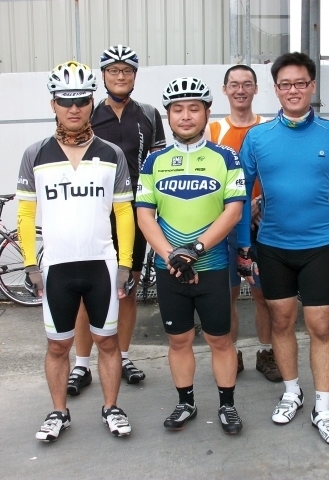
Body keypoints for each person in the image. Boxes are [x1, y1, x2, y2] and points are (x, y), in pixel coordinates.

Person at [238, 52, 329, 445]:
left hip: (317, 246)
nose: (293, 90)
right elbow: (242, 192)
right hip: (272, 247)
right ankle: (292, 392)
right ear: (276, 89)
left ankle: (324, 407)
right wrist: (244, 243)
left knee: (321, 326)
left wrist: (318, 193)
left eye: (300, 83)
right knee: (282, 322)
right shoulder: (258, 137)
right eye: (285, 84)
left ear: (312, 86)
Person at [17, 61, 135, 441]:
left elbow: (124, 212)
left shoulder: (112, 153)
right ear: (53, 103)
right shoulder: (35, 153)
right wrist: (30, 264)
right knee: (57, 346)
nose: (74, 108)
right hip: (57, 267)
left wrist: (126, 264)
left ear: (91, 102)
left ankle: (111, 407)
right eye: (65, 101)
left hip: (102, 265)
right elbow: (25, 213)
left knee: (108, 343)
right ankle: (59, 412)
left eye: (82, 100)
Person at [136, 77, 246, 434]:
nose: (186, 116)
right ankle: (186, 403)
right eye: (178, 109)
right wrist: (172, 256)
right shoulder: (154, 161)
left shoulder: (226, 157)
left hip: (211, 265)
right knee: (179, 340)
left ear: (207, 113)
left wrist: (194, 251)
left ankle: (227, 406)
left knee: (220, 340)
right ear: (168, 116)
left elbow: (234, 211)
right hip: (169, 267)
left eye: (194, 108)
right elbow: (144, 215)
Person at [67, 45, 166, 396]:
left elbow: (157, 167)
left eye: (126, 70)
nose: (120, 76)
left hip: (135, 212)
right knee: (84, 293)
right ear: (103, 76)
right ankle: (81, 365)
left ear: (135, 76)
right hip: (94, 213)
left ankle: (122, 357)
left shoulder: (149, 115)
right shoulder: (88, 114)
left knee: (127, 290)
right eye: (113, 70)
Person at [206, 65, 281, 383]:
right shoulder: (213, 130)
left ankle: (266, 352)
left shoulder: (268, 128)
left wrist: (260, 203)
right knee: (228, 295)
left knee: (264, 296)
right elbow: (207, 179)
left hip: (261, 226)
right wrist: (232, 210)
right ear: (224, 90)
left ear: (256, 89)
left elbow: (278, 174)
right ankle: (231, 353)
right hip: (224, 226)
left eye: (247, 84)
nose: (240, 90)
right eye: (234, 84)